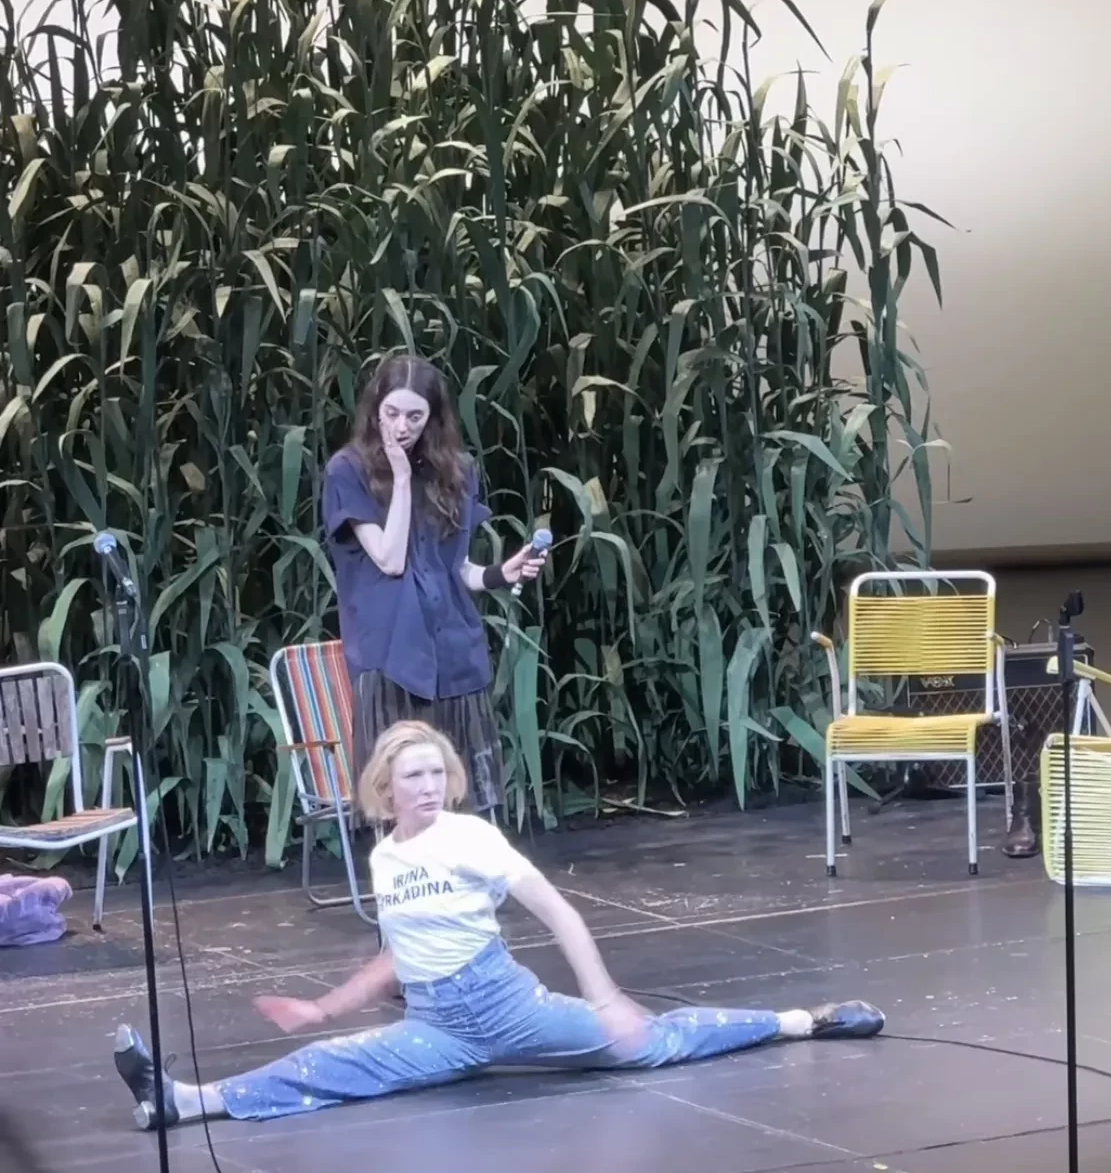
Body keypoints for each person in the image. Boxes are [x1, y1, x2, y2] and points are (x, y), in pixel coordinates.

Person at [112, 722, 886, 1130]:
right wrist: (325, 1007)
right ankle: (185, 1101)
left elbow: (559, 913)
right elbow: (397, 955)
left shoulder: (470, 837)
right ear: (385, 787)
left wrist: (606, 998)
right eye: (411, 775)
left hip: (507, 1007)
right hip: (438, 1024)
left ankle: (800, 1020)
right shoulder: (385, 857)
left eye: (435, 773)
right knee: (327, 1064)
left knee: (652, 1044)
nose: (426, 786)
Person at [320, 352, 546, 817]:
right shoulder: (348, 470)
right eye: (391, 413)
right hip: (391, 655)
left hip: (452, 651)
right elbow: (390, 560)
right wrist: (401, 479)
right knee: (399, 800)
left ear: (433, 417)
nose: (401, 426)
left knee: (462, 798)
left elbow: (454, 568)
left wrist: (500, 573)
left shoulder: (455, 470)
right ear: (375, 409)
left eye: (414, 416)